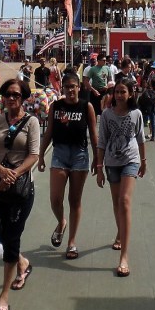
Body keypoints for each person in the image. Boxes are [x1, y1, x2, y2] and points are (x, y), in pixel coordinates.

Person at [0, 78, 40, 310]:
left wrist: (13, 174)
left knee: (12, 239)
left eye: (16, 94)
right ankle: (23, 263)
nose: (11, 98)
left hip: (20, 189)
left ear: (23, 97)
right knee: (4, 234)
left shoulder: (32, 122)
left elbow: (34, 155)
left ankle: (3, 297)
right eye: (7, 94)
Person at [37, 73, 98, 259]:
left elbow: (94, 134)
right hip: (59, 154)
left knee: (74, 200)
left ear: (79, 87)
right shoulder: (56, 106)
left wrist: (97, 158)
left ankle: (71, 242)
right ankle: (61, 221)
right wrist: (40, 155)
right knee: (55, 198)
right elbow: (48, 133)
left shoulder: (86, 107)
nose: (70, 90)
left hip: (80, 155)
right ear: (62, 89)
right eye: (67, 87)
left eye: (73, 86)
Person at [96, 81, 146, 277]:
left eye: (122, 91)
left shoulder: (136, 114)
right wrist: (99, 167)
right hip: (111, 162)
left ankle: (124, 256)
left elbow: (140, 138)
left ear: (130, 93)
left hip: (131, 160)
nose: (119, 95)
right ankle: (120, 231)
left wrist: (144, 160)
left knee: (125, 201)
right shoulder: (107, 114)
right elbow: (102, 141)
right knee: (117, 203)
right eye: (116, 92)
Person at [82, 52, 112, 117]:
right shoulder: (93, 69)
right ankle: (94, 126)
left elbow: (110, 80)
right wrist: (93, 90)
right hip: (95, 93)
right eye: (103, 60)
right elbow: (86, 81)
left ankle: (103, 126)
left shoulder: (107, 68)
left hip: (104, 92)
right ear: (98, 61)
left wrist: (107, 86)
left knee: (104, 111)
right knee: (94, 112)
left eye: (105, 60)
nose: (105, 62)